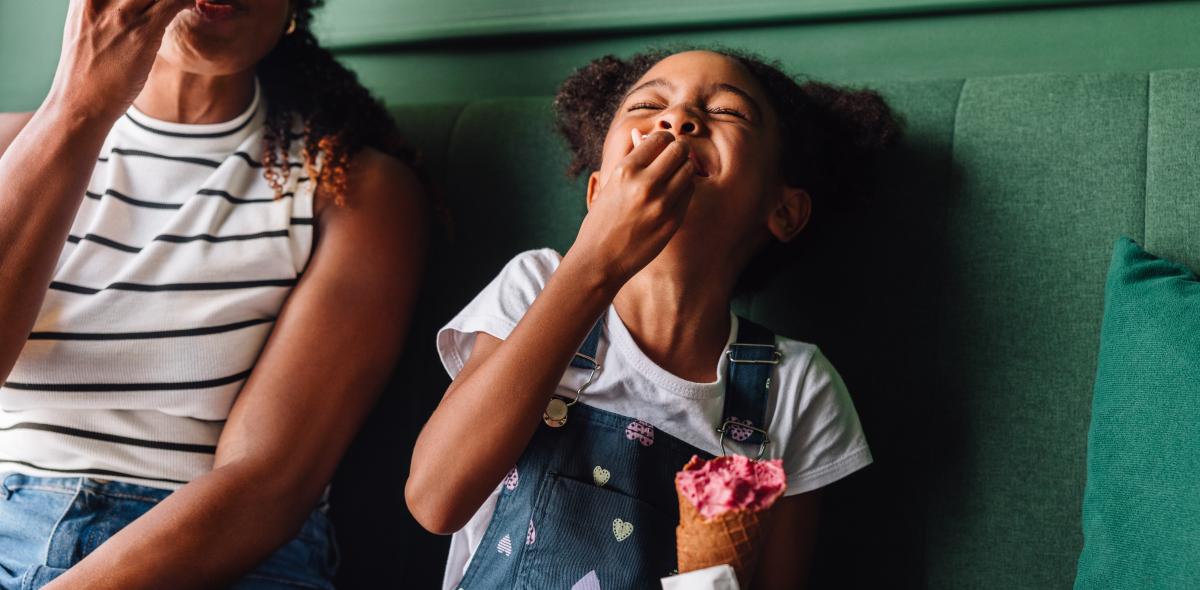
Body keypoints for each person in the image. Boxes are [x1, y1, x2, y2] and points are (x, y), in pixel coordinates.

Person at [406, 48, 899, 589]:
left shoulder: (796, 386)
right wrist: (594, 261)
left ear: (783, 210)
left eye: (728, 112)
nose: (678, 118)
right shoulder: (536, 286)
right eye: (648, 104)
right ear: (599, 193)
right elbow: (435, 500)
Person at [0, 1, 426, 588]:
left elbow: (268, 485)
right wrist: (77, 108)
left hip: (211, 557)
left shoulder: (352, 190)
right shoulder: (11, 149)